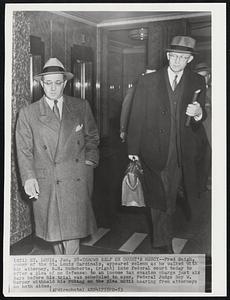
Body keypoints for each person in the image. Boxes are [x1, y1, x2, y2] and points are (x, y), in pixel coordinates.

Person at [127, 36, 207, 253]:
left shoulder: (197, 81)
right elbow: (136, 116)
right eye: (174, 56)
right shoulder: (148, 81)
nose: (177, 61)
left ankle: (165, 234)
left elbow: (202, 116)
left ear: (190, 59)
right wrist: (133, 150)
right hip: (154, 150)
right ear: (167, 55)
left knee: (172, 195)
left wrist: (199, 113)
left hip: (183, 150)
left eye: (183, 57)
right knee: (159, 196)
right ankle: (164, 242)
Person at [16, 58, 99, 255]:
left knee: (72, 236)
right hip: (48, 181)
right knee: (54, 234)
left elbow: (92, 137)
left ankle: (68, 272)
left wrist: (90, 161)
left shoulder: (80, 106)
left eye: (57, 82)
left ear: (65, 83)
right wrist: (29, 178)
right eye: (48, 83)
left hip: (76, 178)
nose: (53, 88)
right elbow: (24, 150)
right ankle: (62, 266)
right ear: (41, 83)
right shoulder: (28, 113)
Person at [120, 68, 156, 142]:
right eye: (148, 75)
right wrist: (123, 130)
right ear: (143, 75)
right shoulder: (133, 91)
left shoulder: (160, 91)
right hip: (138, 131)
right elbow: (125, 110)